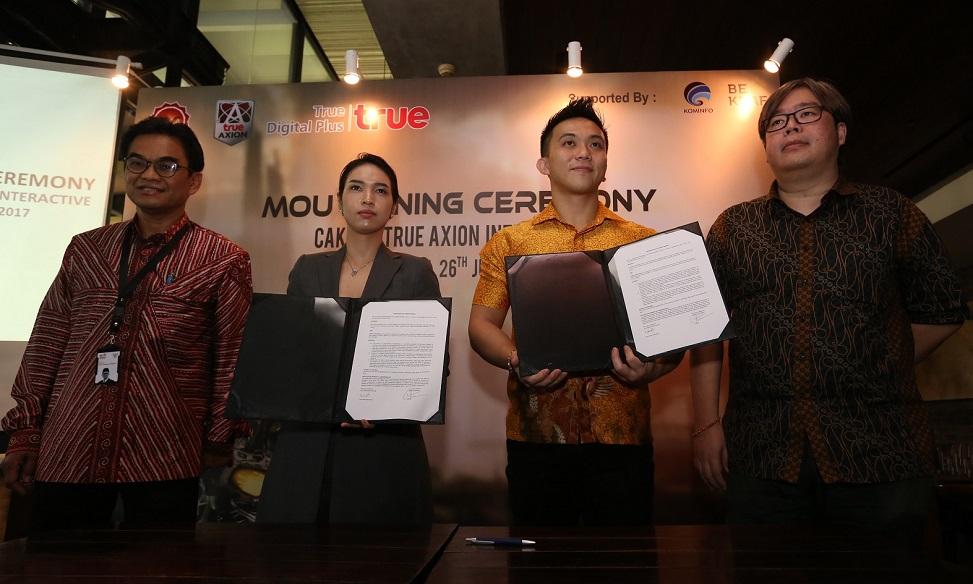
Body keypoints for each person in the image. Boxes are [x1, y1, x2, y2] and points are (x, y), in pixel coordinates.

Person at [690, 78, 966, 532]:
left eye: (806, 114)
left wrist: (880, 358)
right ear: (765, 148)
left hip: (881, 451)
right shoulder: (732, 228)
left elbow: (943, 310)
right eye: (776, 122)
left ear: (839, 131)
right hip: (762, 454)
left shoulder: (892, 214)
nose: (790, 127)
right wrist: (705, 426)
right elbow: (704, 333)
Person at [1, 116, 252, 531]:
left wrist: (218, 438)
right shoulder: (86, 250)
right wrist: (25, 431)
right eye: (137, 163)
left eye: (166, 165)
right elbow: (48, 339)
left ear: (193, 181)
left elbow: (231, 358)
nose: (149, 175)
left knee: (156, 563)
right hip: (70, 448)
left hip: (165, 454)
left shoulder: (223, 259)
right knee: (57, 561)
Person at [468, 98, 682, 526]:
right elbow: (481, 325)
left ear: (605, 164)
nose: (584, 152)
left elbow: (674, 338)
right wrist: (516, 359)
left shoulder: (643, 242)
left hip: (623, 439)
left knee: (624, 557)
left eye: (595, 144)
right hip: (536, 439)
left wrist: (652, 369)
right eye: (568, 143)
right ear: (544, 164)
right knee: (539, 558)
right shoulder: (509, 243)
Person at [258, 153, 440, 525]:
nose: (368, 198)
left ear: (394, 206)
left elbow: (432, 363)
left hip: (385, 445)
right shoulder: (308, 268)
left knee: (380, 552)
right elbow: (291, 353)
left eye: (381, 190)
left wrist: (386, 407)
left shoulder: (415, 272)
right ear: (339, 201)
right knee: (294, 549)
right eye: (356, 188)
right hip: (308, 443)